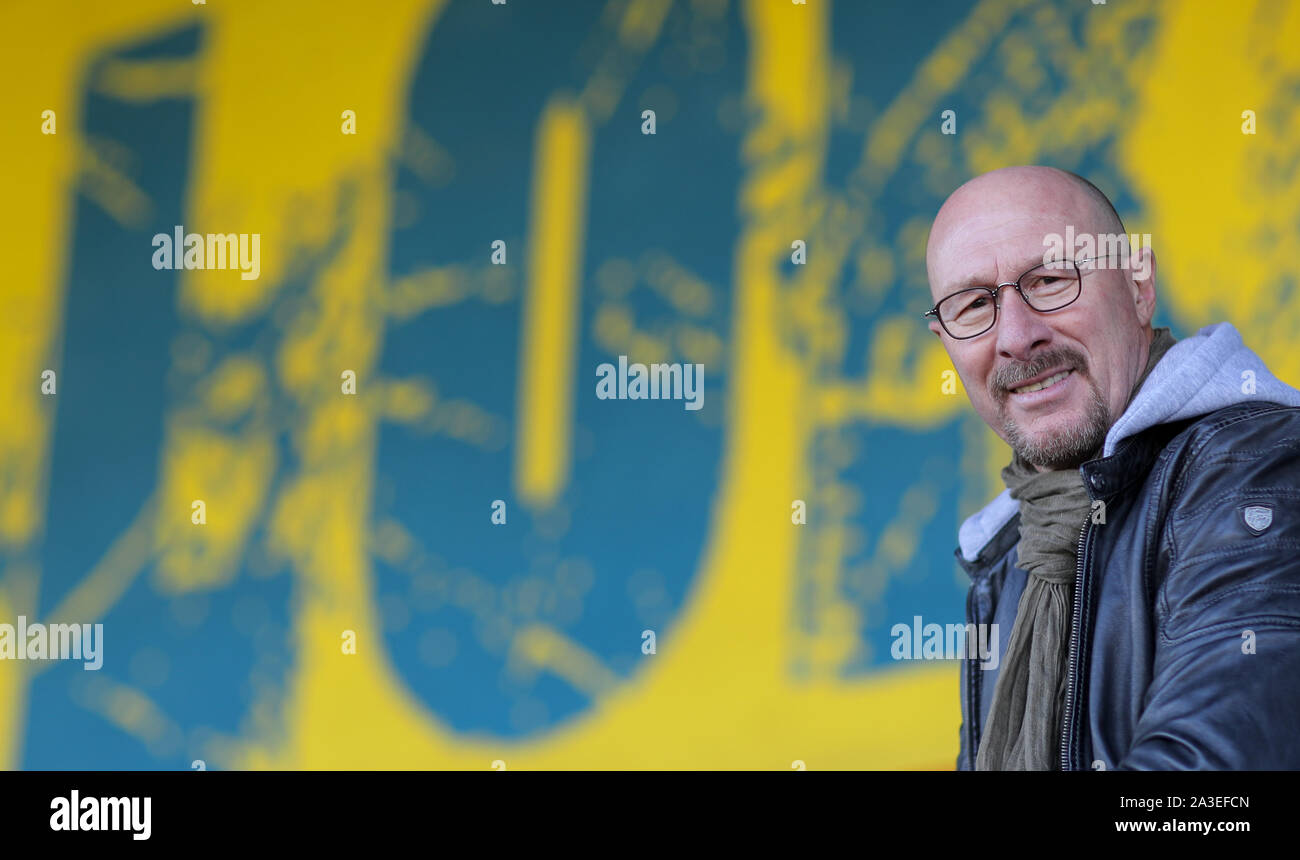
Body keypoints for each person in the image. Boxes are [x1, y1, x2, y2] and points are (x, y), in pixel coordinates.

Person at [924, 165, 1300, 770]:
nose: (1016, 337)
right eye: (972, 306)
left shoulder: (1256, 470)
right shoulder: (1014, 553)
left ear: (1138, 286)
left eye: (1049, 279)